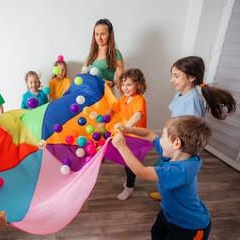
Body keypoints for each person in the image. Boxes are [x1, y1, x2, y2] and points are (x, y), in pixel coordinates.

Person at [149, 56, 237, 200]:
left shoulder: (193, 100)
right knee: (162, 169)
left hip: (181, 148)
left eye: (176, 76)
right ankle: (165, 192)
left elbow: (192, 130)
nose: (172, 80)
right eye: (172, 75)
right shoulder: (181, 95)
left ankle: (171, 198)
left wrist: (178, 149)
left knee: (165, 171)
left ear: (191, 77)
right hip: (173, 143)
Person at [112, 115, 212, 240]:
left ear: (176, 143)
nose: (161, 138)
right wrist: (128, 130)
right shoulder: (175, 154)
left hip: (189, 227)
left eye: (164, 136)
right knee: (156, 233)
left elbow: (141, 172)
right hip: (170, 214)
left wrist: (122, 147)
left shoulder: (180, 171)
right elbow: (148, 134)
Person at [99, 68, 147, 200]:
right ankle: (129, 183)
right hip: (127, 134)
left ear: (138, 85)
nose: (125, 88)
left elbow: (137, 116)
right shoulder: (123, 99)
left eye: (129, 84)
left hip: (136, 136)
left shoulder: (139, 100)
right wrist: (104, 121)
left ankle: (129, 187)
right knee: (121, 156)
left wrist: (125, 128)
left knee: (130, 163)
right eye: (124, 84)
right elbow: (112, 108)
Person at [83, 18, 124, 90]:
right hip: (92, 93)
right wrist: (71, 88)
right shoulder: (91, 53)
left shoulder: (115, 54)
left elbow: (120, 77)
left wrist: (112, 83)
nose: (99, 38)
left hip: (106, 93)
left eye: (103, 34)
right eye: (97, 34)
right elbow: (83, 73)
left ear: (110, 34)